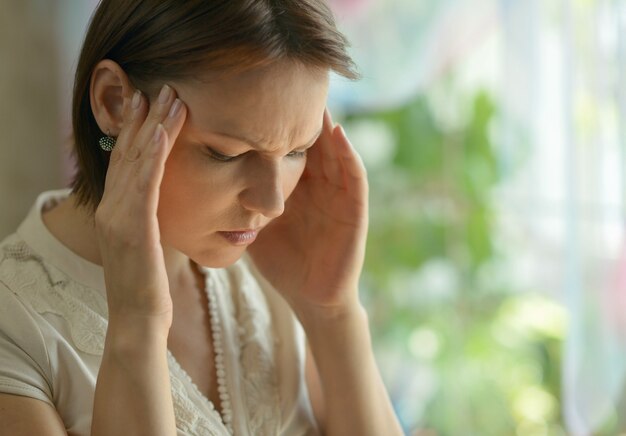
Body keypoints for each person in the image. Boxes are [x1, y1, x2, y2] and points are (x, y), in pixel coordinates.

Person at [0, 1, 404, 435]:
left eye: (296, 151)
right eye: (227, 153)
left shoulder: (274, 269)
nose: (272, 203)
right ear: (114, 102)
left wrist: (332, 311)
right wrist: (136, 324)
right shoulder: (14, 329)